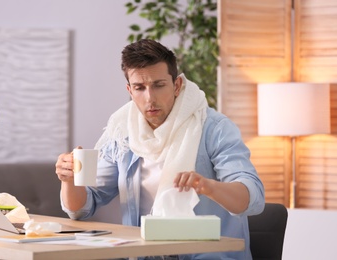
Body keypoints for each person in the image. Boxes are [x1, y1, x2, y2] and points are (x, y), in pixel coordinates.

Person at [55, 39, 265, 259]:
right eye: (140, 88)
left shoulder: (213, 128)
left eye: (159, 85)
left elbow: (253, 199)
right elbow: (82, 207)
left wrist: (207, 186)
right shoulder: (122, 132)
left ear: (176, 85)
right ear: (130, 90)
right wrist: (68, 180)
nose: (150, 98)